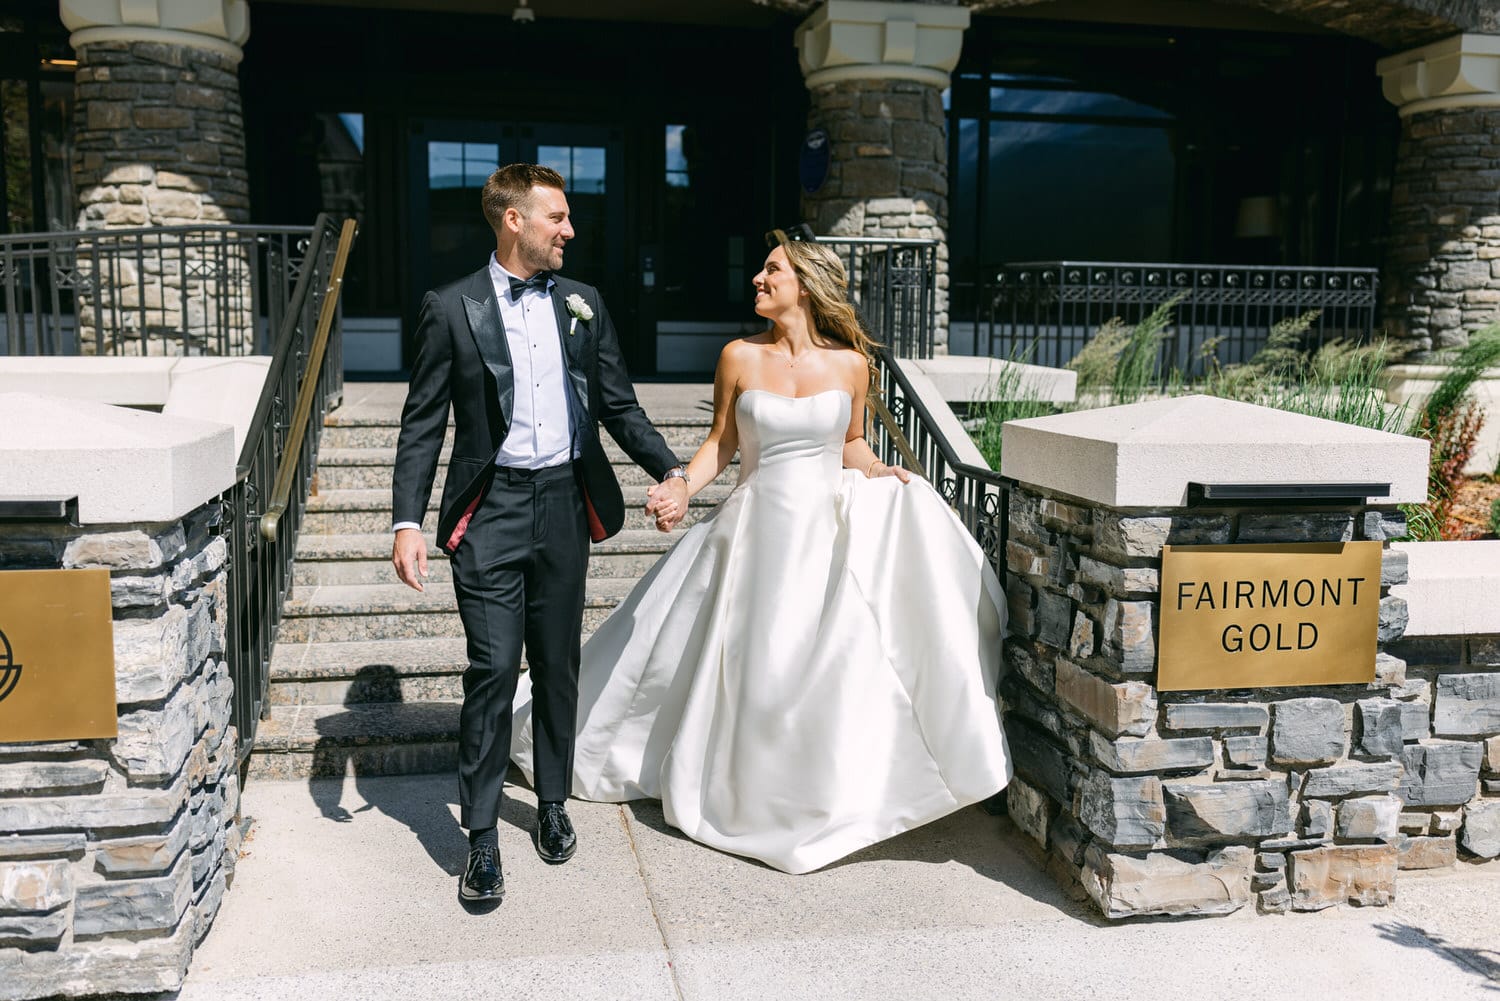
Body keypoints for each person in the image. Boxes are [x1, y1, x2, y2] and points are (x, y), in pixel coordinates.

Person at [511, 229, 1012, 874]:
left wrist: (882, 473)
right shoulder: (738, 357)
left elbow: (851, 442)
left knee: (817, 663)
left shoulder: (851, 365)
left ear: (803, 283)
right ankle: (733, 784)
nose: (757, 280)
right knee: (748, 657)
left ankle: (808, 793)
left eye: (770, 271)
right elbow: (722, 443)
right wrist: (681, 487)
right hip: (756, 531)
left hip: (824, 535)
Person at [390, 163, 690, 903]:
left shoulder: (582, 303)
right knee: (492, 670)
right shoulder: (451, 306)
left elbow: (618, 403)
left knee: (556, 664)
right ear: (513, 220)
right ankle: (483, 838)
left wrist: (672, 468)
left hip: (562, 505)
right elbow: (423, 420)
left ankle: (552, 802)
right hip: (489, 510)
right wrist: (407, 518)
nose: (571, 230)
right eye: (557, 217)